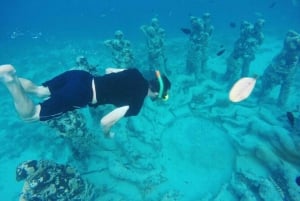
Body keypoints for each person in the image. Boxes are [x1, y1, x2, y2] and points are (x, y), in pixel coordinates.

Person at [0, 64, 171, 137]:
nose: (156, 99)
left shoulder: (135, 72)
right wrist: (107, 134)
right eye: (161, 96)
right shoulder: (136, 104)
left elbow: (109, 70)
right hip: (81, 93)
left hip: (79, 76)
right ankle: (8, 78)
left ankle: (8, 75)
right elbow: (105, 122)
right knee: (31, 116)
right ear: (157, 92)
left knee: (38, 90)